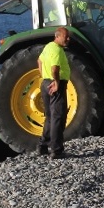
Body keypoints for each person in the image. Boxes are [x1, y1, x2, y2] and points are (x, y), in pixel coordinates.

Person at [37, 27, 71, 159]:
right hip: (56, 84)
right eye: (65, 37)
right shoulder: (57, 50)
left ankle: (42, 146)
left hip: (46, 83)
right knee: (58, 117)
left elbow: (39, 61)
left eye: (68, 37)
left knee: (50, 117)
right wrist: (56, 82)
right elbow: (55, 69)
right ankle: (56, 150)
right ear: (57, 37)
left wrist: (44, 77)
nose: (68, 39)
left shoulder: (48, 47)